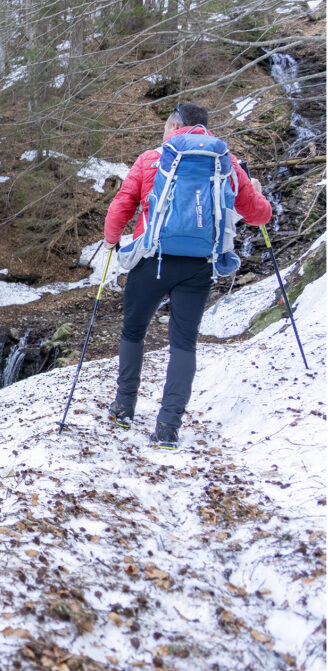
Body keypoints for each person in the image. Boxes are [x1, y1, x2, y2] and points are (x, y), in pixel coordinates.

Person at [101, 103, 271, 448]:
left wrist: (111, 239)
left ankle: (123, 407)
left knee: (133, 330)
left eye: (166, 125)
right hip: (199, 265)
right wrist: (255, 189)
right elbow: (258, 215)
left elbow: (122, 203)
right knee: (183, 343)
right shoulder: (225, 161)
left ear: (175, 124)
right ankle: (168, 427)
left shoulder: (152, 158)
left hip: (153, 258)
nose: (164, 132)